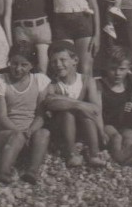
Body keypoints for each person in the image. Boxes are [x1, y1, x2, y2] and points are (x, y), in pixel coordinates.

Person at [0, 41, 52, 184]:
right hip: (6, 133)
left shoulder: (40, 81)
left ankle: (32, 171)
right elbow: (2, 116)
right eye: (14, 63)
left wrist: (30, 131)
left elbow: (40, 115)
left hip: (31, 132)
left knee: (44, 133)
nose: (18, 68)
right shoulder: (0, 82)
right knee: (17, 136)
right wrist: (20, 131)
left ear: (32, 65)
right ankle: (3, 171)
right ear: (9, 62)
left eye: (24, 65)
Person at [41, 40, 106, 168]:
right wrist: (78, 105)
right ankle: (71, 153)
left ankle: (94, 153)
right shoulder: (52, 85)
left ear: (75, 60)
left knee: (84, 113)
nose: (58, 64)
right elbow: (50, 104)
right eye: (54, 61)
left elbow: (95, 109)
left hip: (83, 127)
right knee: (68, 112)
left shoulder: (87, 80)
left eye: (63, 60)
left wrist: (101, 131)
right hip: (62, 129)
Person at [97, 46, 132, 166]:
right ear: (106, 67)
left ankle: (129, 157)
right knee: (116, 137)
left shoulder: (131, 81)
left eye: (122, 69)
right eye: (113, 69)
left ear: (128, 68)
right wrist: (100, 131)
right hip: (107, 122)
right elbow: (98, 111)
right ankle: (119, 157)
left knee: (129, 134)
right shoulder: (100, 85)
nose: (117, 73)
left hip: (125, 122)